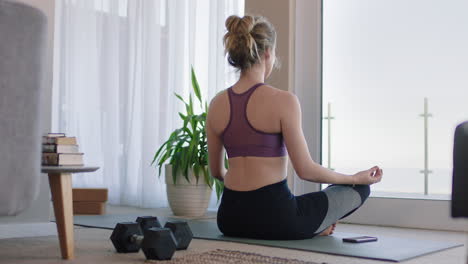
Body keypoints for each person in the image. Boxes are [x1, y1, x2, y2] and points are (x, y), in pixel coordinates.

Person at [206, 15, 383, 240]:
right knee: (359, 190)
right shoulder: (284, 101)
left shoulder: (217, 104)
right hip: (278, 220)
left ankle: (314, 224)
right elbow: (306, 170)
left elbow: (216, 172)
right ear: (268, 52)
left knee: (301, 205)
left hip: (230, 219)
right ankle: (316, 225)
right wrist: (356, 178)